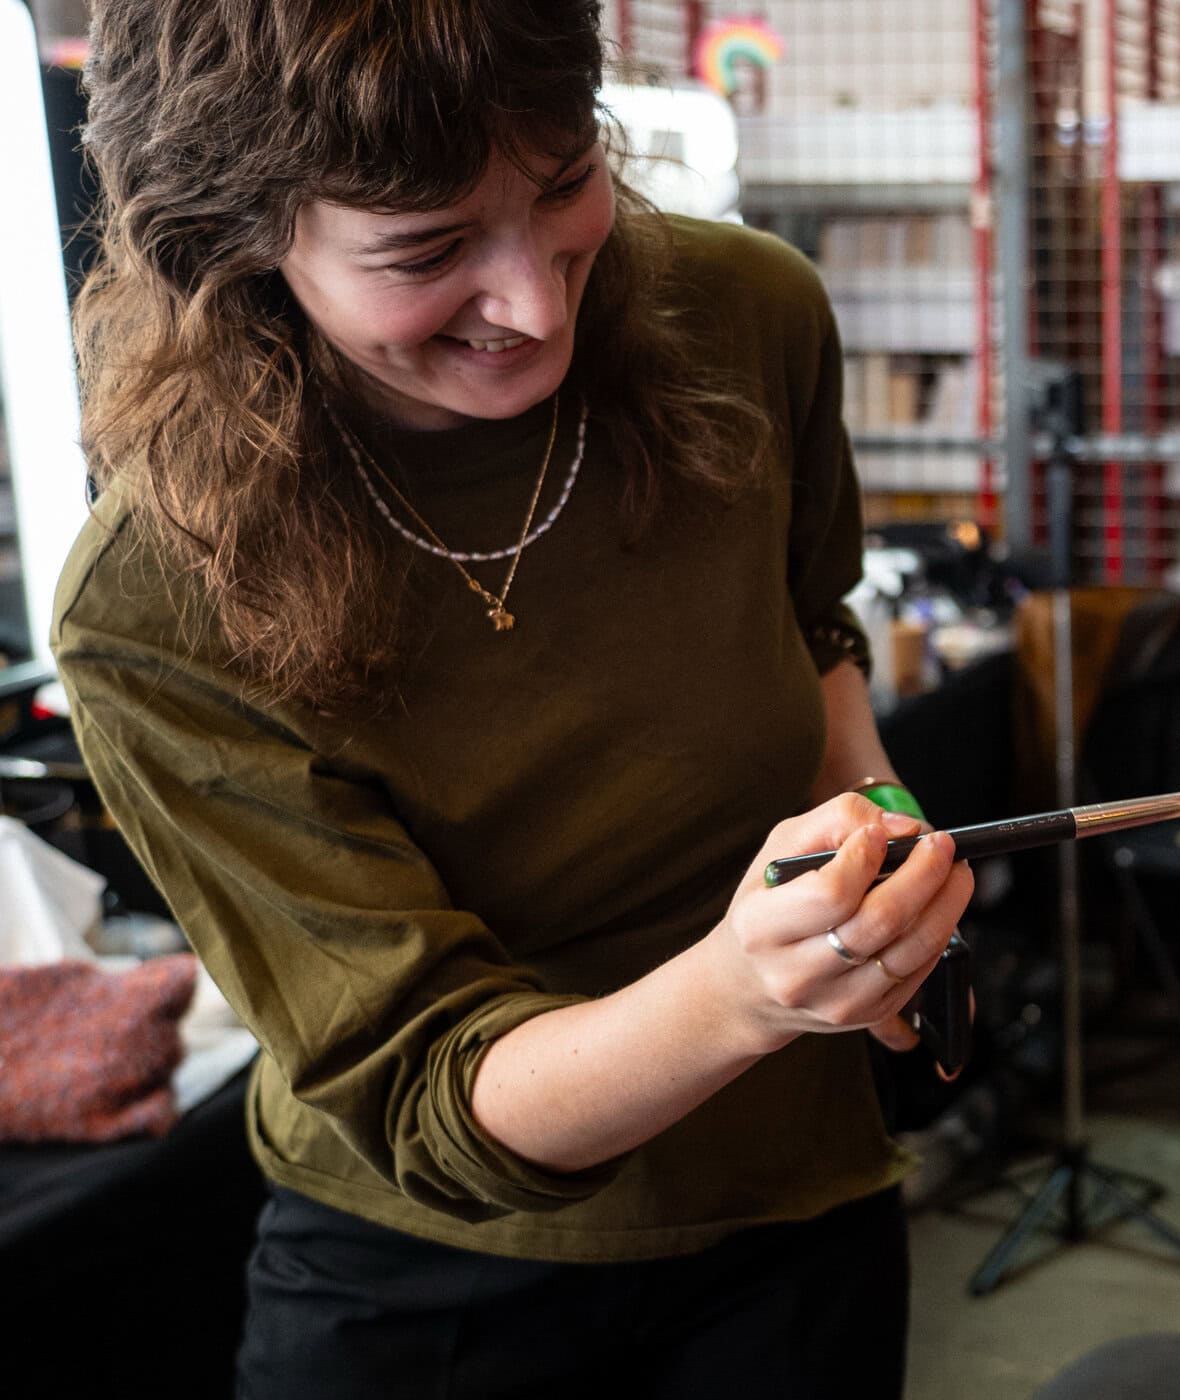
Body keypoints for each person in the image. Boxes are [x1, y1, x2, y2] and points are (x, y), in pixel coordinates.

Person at [53, 3, 970, 1396]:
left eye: (562, 190)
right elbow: (428, 1095)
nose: (537, 303)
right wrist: (743, 992)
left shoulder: (745, 314)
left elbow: (809, 622)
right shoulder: (159, 599)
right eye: (424, 253)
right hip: (432, 1281)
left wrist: (879, 843)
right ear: (233, 246)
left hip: (794, 1202)